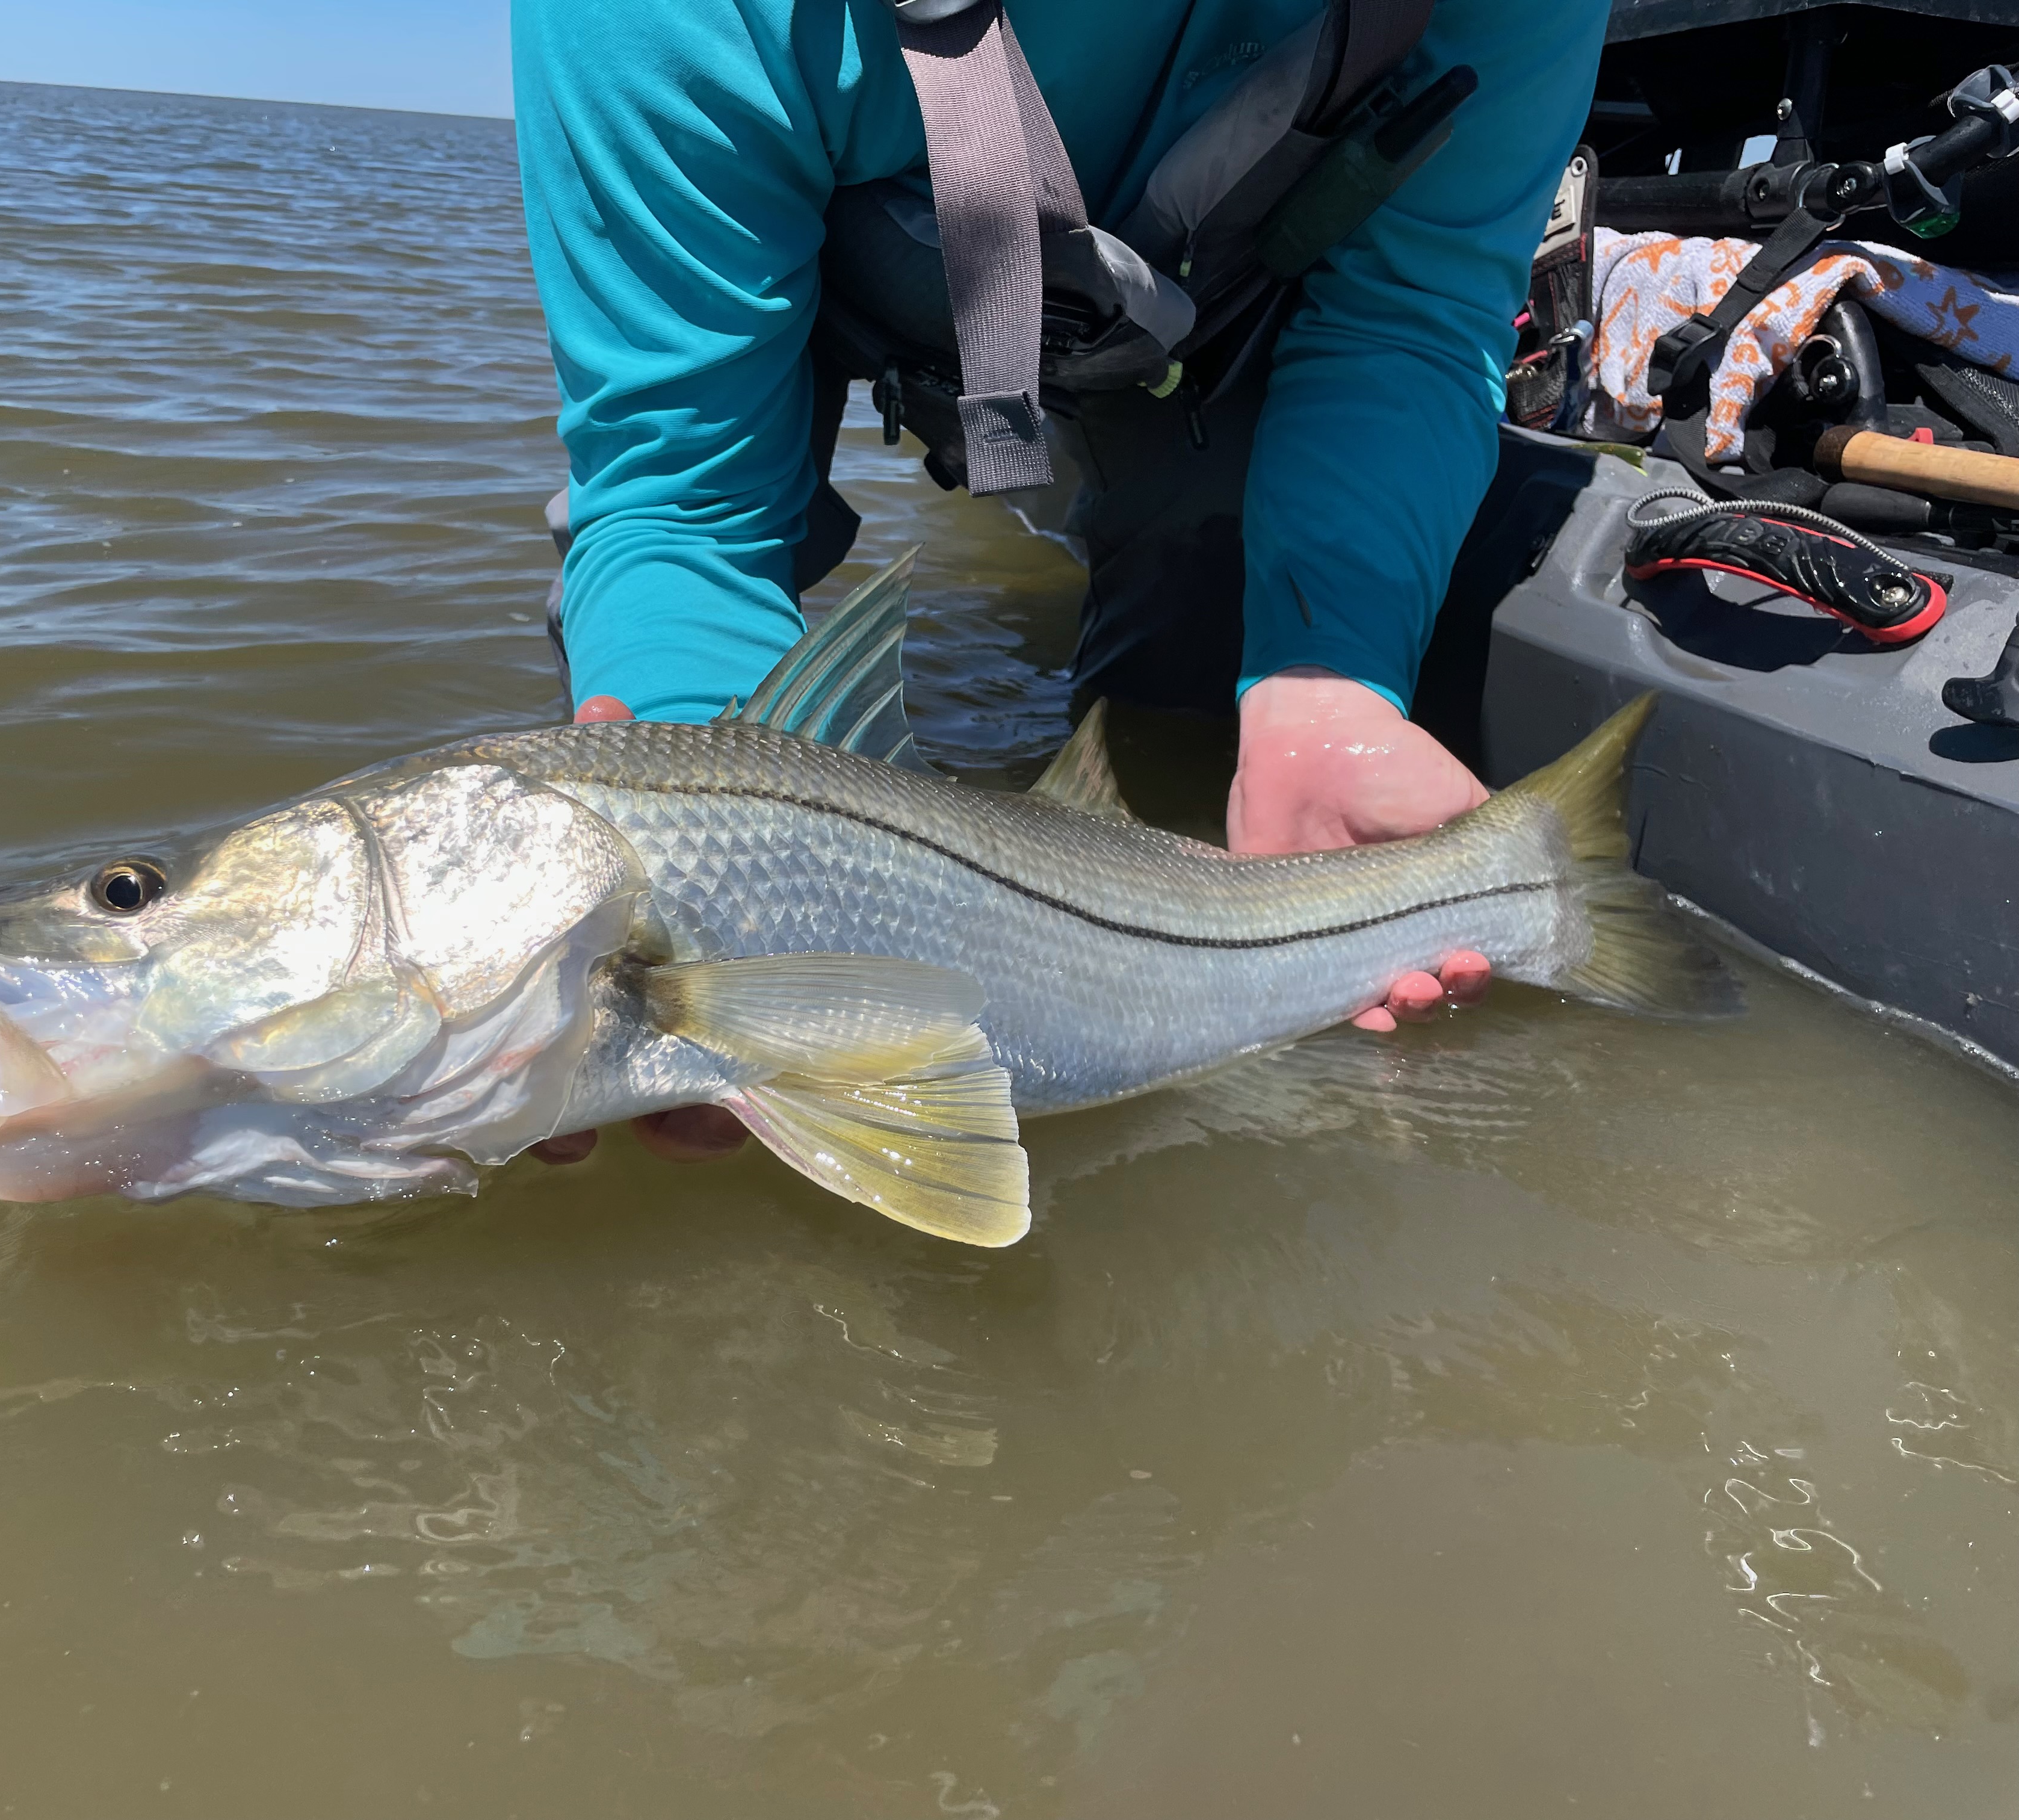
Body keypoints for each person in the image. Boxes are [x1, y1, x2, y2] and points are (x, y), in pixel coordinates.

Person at [513, 0, 1597, 1163]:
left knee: (1185, 692)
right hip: (879, 269)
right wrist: (696, 851)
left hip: (1232, 308)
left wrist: (1329, 675)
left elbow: (1411, 319)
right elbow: (686, 498)